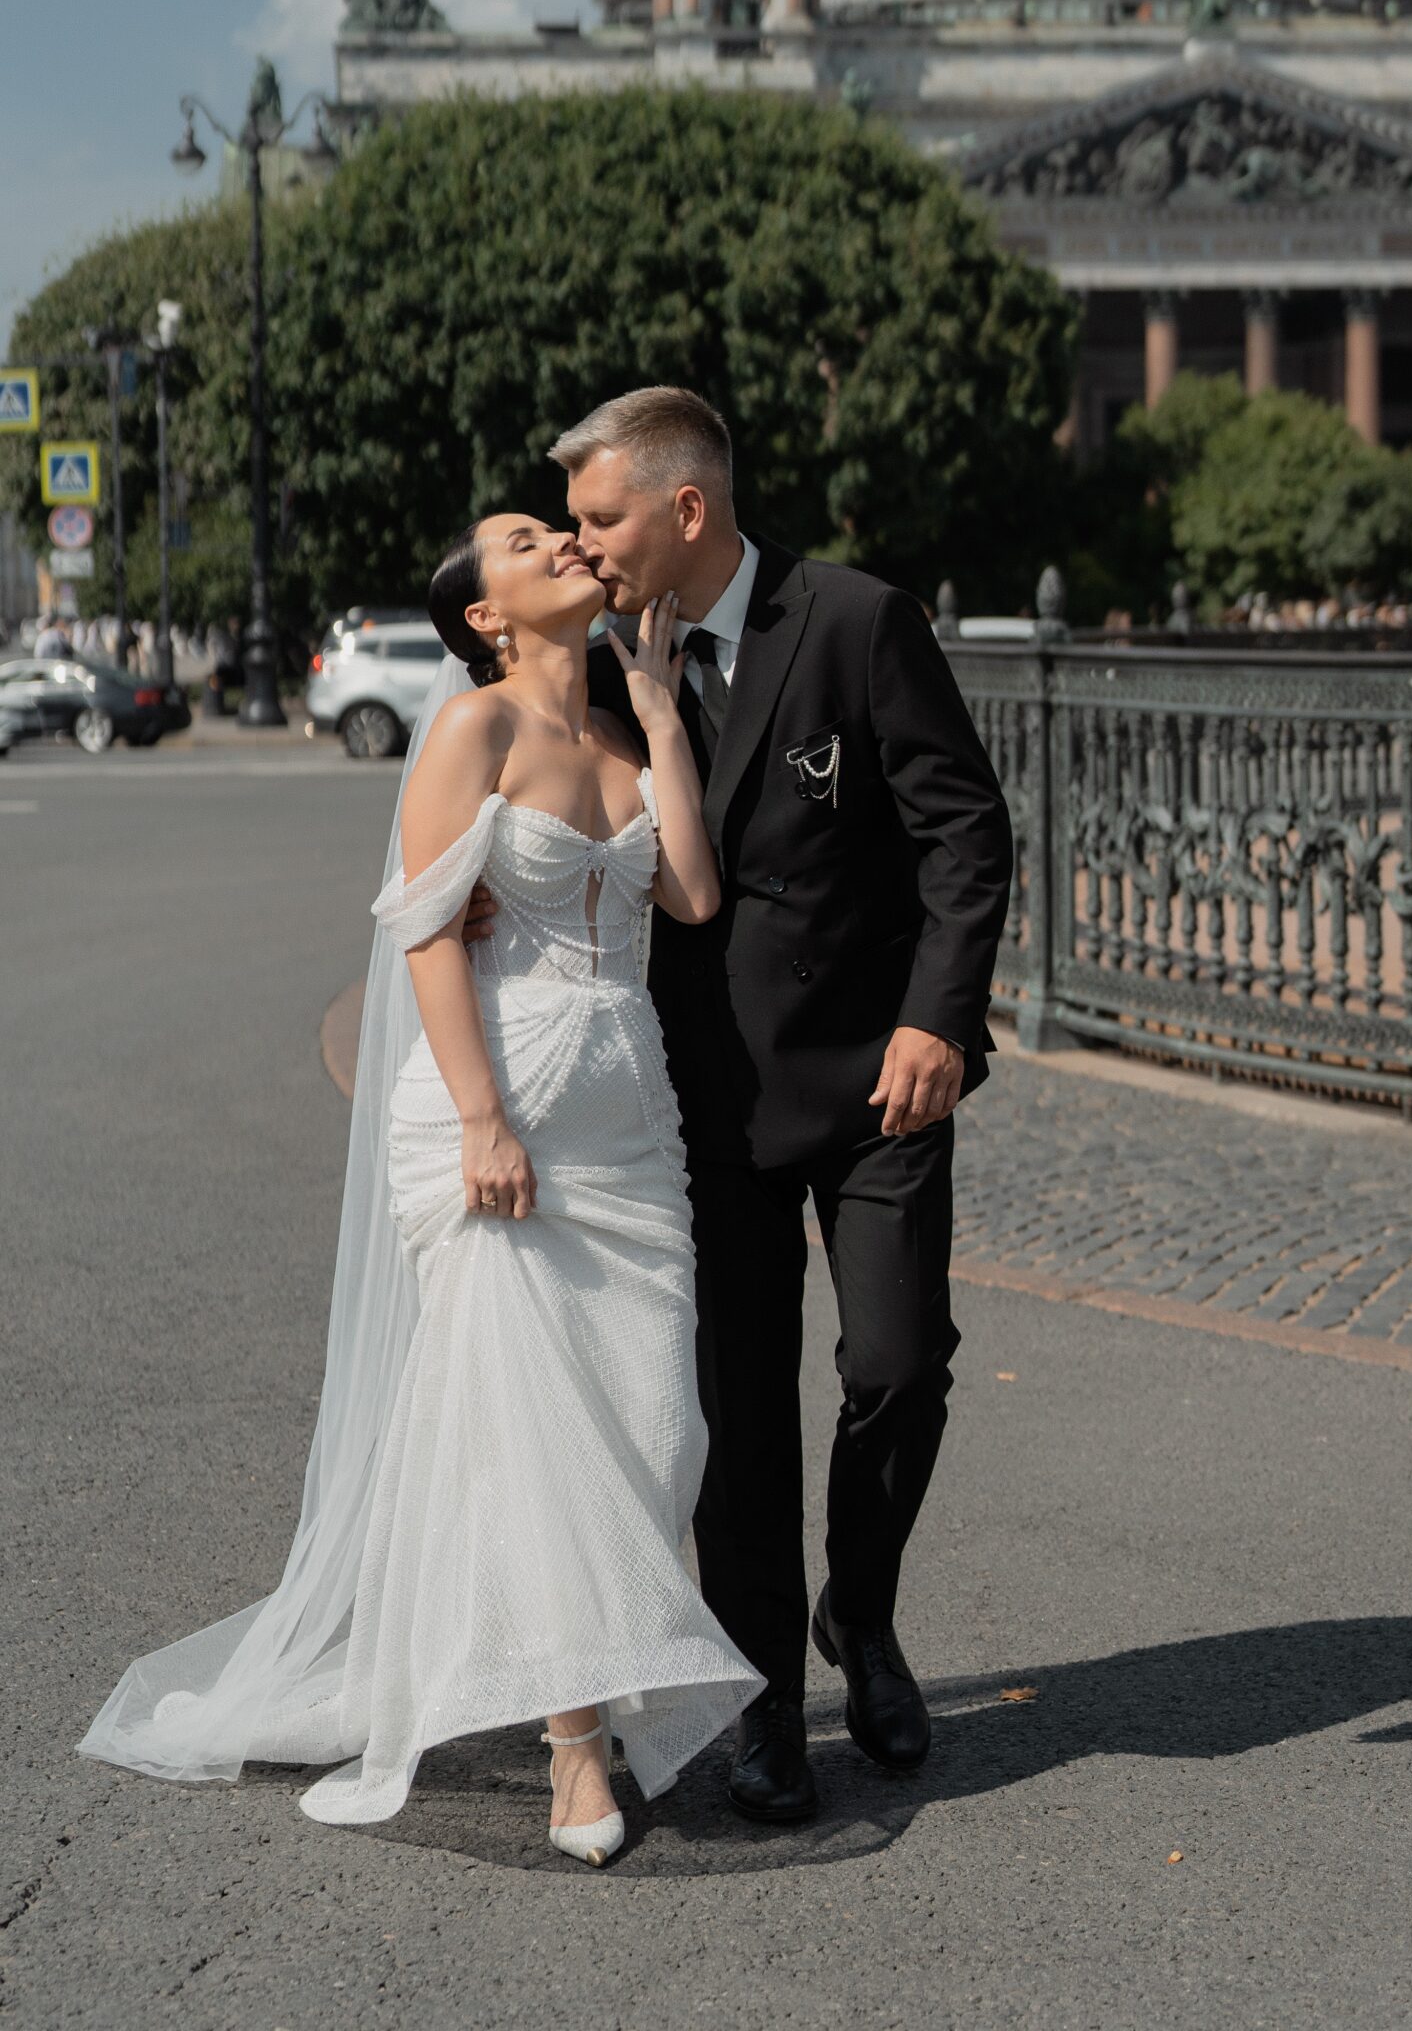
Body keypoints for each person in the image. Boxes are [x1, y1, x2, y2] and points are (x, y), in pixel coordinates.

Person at [82, 513, 760, 1860]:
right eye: (525, 541)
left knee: (650, 1421)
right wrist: (481, 1120)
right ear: (485, 617)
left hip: (629, 1124)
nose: (560, 540)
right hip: (490, 1117)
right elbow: (427, 931)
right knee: (534, 1428)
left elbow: (690, 893)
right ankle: (576, 1751)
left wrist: (660, 717)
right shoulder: (471, 730)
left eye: (557, 527)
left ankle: (570, 1665)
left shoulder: (625, 733)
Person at [470, 387, 1013, 1824]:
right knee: (739, 1403)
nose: (582, 547)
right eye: (570, 525)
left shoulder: (856, 621)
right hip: (698, 1093)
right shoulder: (594, 666)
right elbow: (514, 807)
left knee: (898, 1362)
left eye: (600, 517)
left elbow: (965, 830)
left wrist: (937, 1019)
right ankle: (768, 1697)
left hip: (882, 1076)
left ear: (687, 508)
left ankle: (862, 1615)